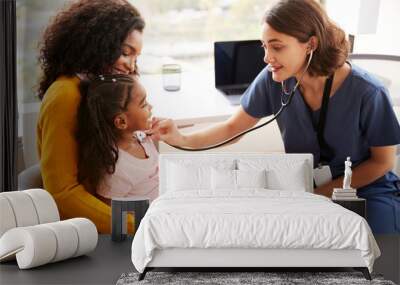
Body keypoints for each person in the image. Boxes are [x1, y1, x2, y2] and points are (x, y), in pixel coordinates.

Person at [150, 0, 400, 234]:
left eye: (277, 47)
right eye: (265, 46)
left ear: (310, 45)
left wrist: (321, 193)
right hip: (306, 190)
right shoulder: (274, 79)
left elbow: (383, 162)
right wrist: (180, 138)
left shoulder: (367, 92)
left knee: (375, 250)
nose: (267, 57)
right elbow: (231, 129)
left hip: (367, 190)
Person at [36, 0, 145, 233]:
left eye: (135, 57)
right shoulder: (65, 94)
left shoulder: (97, 89)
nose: (130, 65)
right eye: (125, 53)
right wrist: (136, 226)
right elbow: (63, 194)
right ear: (99, 43)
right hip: (87, 230)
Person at [76, 74, 158, 204]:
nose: (151, 106)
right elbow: (111, 214)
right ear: (121, 122)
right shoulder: (117, 170)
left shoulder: (141, 137)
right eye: (143, 104)